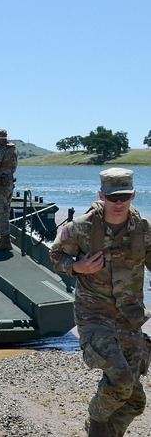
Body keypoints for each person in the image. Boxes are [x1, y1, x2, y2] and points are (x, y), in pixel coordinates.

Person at [50, 168, 151, 437]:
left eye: (124, 197)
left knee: (135, 401)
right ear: (101, 195)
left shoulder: (142, 229)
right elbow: (56, 255)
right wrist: (78, 267)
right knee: (120, 380)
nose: (119, 203)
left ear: (133, 195)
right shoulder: (81, 228)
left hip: (130, 318)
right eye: (112, 197)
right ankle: (96, 427)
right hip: (94, 316)